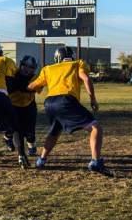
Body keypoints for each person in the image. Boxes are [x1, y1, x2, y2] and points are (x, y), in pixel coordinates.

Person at [28, 46, 111, 176]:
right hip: (66, 101)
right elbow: (86, 79)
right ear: (71, 57)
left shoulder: (48, 69)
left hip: (49, 103)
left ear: (57, 58)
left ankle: (41, 160)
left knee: (55, 131)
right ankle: (96, 162)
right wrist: (93, 99)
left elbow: (32, 86)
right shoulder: (77, 64)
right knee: (96, 128)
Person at [2, 55, 39, 156]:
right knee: (11, 129)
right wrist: (14, 85)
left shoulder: (35, 77)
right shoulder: (12, 73)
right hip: (13, 105)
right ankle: (7, 137)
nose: (28, 69)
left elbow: (27, 88)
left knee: (30, 132)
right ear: (20, 65)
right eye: (26, 66)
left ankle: (31, 146)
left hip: (29, 105)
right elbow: (9, 88)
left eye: (31, 67)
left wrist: (15, 84)